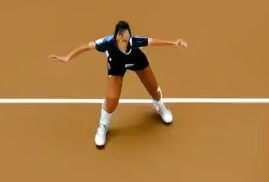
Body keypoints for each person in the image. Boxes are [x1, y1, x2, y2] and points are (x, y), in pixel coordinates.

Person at [49, 21, 188, 149]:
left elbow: (152, 42)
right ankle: (103, 126)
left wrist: (175, 43)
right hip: (116, 66)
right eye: (124, 35)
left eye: (128, 34)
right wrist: (69, 57)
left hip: (137, 61)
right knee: (112, 98)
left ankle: (160, 106)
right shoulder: (106, 43)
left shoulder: (134, 41)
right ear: (118, 36)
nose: (127, 37)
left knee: (153, 89)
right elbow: (87, 46)